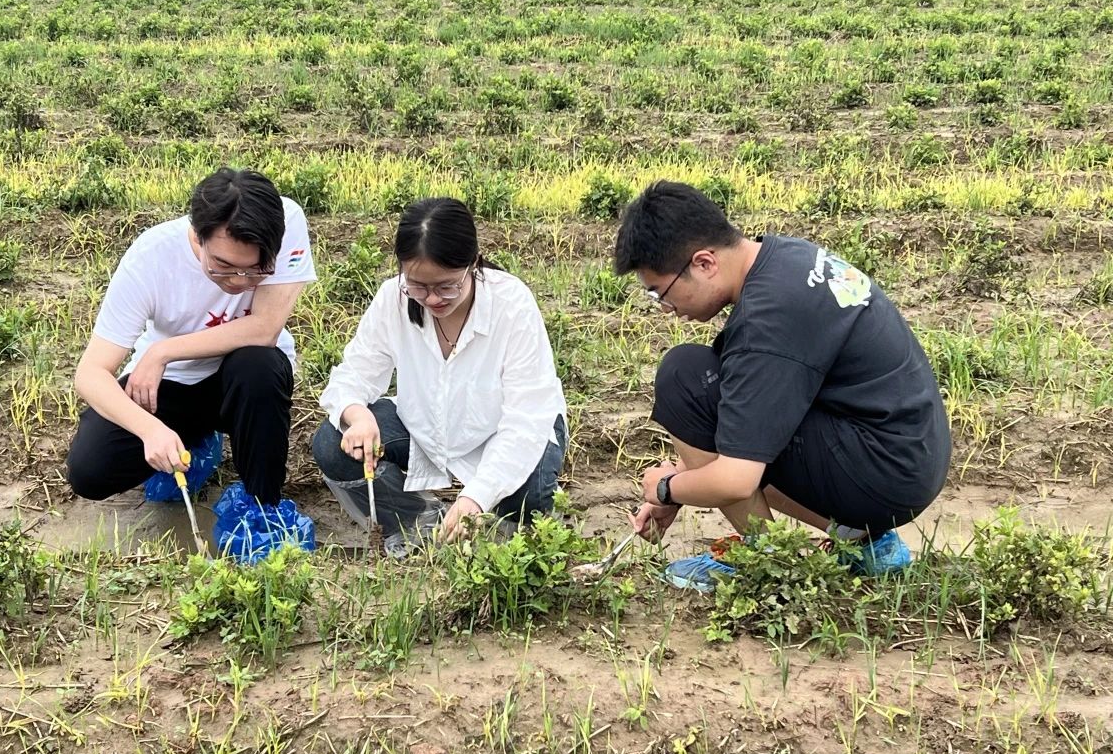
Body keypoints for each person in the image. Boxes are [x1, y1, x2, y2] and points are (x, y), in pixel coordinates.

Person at [616, 181, 950, 588]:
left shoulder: (768, 319)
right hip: (908, 454)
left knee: (684, 377)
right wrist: (687, 481)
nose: (666, 309)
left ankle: (768, 563)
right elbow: (756, 406)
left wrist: (668, 488)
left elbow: (736, 477)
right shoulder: (783, 258)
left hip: (884, 471)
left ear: (704, 263)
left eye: (660, 293)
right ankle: (865, 544)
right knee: (724, 401)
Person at [313, 197, 567, 556]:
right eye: (417, 286)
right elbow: (353, 373)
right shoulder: (393, 299)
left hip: (505, 431)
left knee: (528, 499)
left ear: (474, 264)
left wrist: (476, 497)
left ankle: (479, 520)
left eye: (447, 286)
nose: (432, 300)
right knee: (332, 445)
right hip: (427, 428)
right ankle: (421, 522)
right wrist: (357, 414)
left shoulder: (511, 305)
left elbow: (526, 420)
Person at [66, 167, 315, 514]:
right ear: (198, 236)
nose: (239, 281)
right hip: (175, 383)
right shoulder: (151, 257)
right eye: (222, 265)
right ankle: (193, 442)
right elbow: (91, 372)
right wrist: (150, 430)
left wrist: (163, 351)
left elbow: (265, 328)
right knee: (90, 471)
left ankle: (262, 506)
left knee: (259, 364)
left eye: (255, 269)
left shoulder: (285, 220)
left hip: (244, 380)